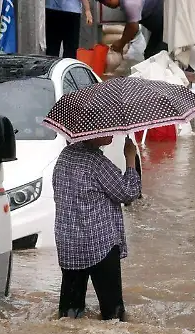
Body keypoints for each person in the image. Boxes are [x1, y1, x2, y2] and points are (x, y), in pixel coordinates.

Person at [53, 136, 141, 321]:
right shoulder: (97, 163)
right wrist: (130, 158)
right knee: (114, 316)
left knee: (69, 316)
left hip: (68, 245)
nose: (112, 133)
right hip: (100, 245)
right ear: (94, 133)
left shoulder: (64, 156)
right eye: (107, 129)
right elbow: (129, 193)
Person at [92, 0, 167, 60]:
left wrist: (121, 43)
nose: (107, 6)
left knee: (157, 57)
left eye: (105, 3)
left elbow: (133, 28)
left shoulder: (129, 2)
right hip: (160, 28)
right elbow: (130, 25)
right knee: (150, 55)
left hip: (167, 27)